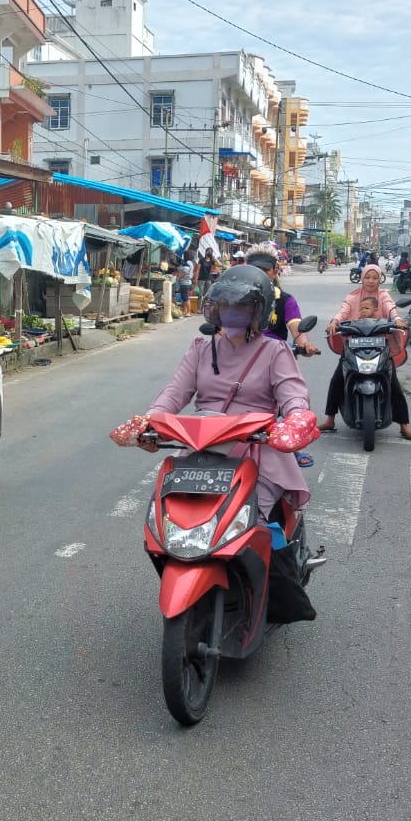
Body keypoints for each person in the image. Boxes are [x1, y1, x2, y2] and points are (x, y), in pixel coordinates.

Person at [139, 265, 317, 623]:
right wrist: (151, 420)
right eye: (225, 306)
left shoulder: (275, 351)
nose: (232, 314)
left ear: (258, 312)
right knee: (170, 519)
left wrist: (296, 420)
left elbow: (293, 396)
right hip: (203, 448)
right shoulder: (201, 349)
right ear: (214, 309)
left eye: (242, 307)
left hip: (258, 449)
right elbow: (175, 393)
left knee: (256, 522)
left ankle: (282, 597)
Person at [318, 263, 411, 441]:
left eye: (375, 277)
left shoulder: (384, 295)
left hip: (380, 344)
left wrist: (396, 319)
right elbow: (343, 312)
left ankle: (404, 425)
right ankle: (330, 419)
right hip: (353, 343)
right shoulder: (353, 296)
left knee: (393, 383)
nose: (371, 281)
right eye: (367, 277)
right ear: (362, 278)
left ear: (380, 279)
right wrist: (334, 321)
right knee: (338, 379)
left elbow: (390, 308)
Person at [244, 243, 318, 468]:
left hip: (276, 359)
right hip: (240, 357)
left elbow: (296, 327)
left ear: (275, 271)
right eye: (254, 269)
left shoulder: (285, 300)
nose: (259, 275)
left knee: (297, 399)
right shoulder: (237, 297)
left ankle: (294, 443)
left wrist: (304, 344)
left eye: (264, 270)